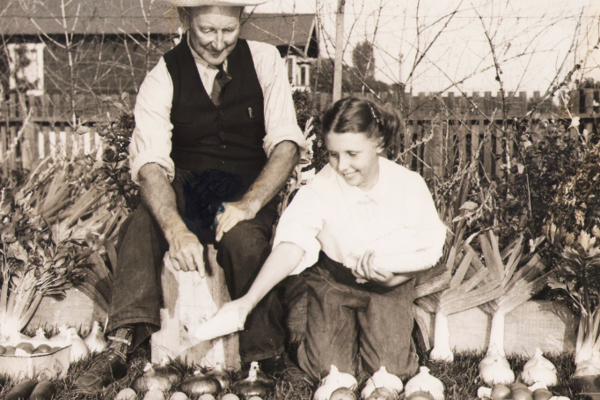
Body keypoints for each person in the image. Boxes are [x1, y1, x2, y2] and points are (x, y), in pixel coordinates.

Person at [74, 0, 307, 394]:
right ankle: (122, 343)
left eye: (228, 31)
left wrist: (250, 203)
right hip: (186, 185)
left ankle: (265, 357)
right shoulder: (163, 73)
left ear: (241, 22)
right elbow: (149, 164)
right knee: (142, 224)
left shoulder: (266, 60)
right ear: (185, 21)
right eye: (207, 31)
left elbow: (286, 143)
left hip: (244, 187)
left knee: (246, 240)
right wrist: (174, 227)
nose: (218, 43)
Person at [215, 96, 447, 381]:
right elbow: (292, 242)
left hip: (389, 285)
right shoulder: (322, 186)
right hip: (334, 282)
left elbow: (431, 247)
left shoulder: (408, 184)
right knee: (329, 372)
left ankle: (398, 333)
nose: (342, 165)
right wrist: (248, 301)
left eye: (352, 153)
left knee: (390, 373)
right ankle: (333, 331)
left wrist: (394, 279)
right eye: (333, 154)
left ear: (378, 144)